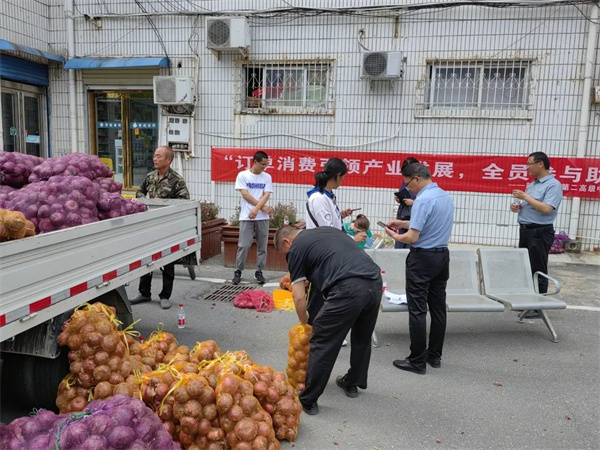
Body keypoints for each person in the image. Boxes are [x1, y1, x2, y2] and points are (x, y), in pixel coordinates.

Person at [274, 225, 382, 415]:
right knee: (362, 337)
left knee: (322, 340)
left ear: (287, 241)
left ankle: (309, 399)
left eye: (285, 253)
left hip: (348, 287)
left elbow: (298, 297)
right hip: (374, 281)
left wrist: (304, 320)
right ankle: (352, 383)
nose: (288, 257)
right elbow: (324, 272)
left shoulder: (296, 247)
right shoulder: (326, 232)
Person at [384, 163, 454, 375]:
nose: (407, 189)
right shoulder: (444, 196)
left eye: (407, 184)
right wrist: (401, 222)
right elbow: (427, 224)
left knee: (417, 310)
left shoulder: (422, 200)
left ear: (416, 178)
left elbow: (413, 237)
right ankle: (434, 356)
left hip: (422, 259)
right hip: (442, 256)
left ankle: (416, 360)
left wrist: (396, 236)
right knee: (438, 308)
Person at [304, 157, 366, 325]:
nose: (343, 180)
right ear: (338, 175)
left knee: (326, 294)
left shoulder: (325, 195)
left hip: (327, 251)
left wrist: (340, 215)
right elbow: (329, 230)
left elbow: (329, 222)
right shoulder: (319, 198)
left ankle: (319, 331)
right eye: (343, 177)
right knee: (319, 296)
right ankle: (312, 332)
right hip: (323, 253)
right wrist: (353, 238)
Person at [131, 146, 190, 310]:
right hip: (149, 225)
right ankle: (144, 293)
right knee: (145, 260)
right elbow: (139, 193)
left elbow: (184, 201)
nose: (155, 159)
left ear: (168, 160)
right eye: (154, 155)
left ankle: (165, 295)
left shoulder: (176, 180)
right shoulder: (150, 177)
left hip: (167, 227)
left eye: (158, 156)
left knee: (168, 261)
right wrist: (148, 202)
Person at [511, 151, 562, 315]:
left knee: (538, 268)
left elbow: (547, 209)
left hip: (540, 231)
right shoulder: (533, 184)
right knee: (524, 267)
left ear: (540, 164)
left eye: (529, 164)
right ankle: (527, 301)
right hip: (526, 230)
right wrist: (517, 206)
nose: (527, 168)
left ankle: (537, 307)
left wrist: (525, 196)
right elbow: (531, 204)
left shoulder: (553, 185)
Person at [232, 151, 273, 285]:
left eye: (266, 164)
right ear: (255, 162)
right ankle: (238, 270)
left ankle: (259, 271)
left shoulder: (267, 177)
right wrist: (261, 207)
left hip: (262, 218)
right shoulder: (242, 175)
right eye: (262, 164)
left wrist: (257, 209)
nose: (264, 167)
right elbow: (245, 195)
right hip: (246, 216)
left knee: (262, 246)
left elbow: (266, 195)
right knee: (244, 245)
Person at [394, 157, 419, 249]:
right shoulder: (405, 181)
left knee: (411, 239)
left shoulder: (420, 182)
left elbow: (426, 202)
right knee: (401, 239)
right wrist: (399, 198)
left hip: (414, 215)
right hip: (404, 213)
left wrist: (413, 203)